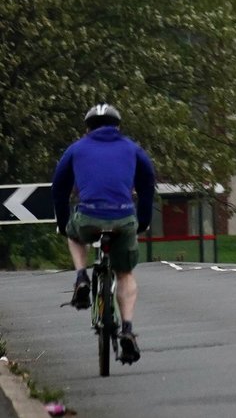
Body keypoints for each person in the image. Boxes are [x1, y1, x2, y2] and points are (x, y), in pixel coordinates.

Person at [49, 103, 156, 365]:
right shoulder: (132, 148)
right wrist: (142, 221)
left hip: (88, 217)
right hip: (123, 218)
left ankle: (81, 277)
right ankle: (127, 329)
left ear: (87, 128)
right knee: (125, 274)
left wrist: (64, 223)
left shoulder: (76, 149)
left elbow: (59, 188)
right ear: (118, 126)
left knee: (73, 234)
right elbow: (147, 184)